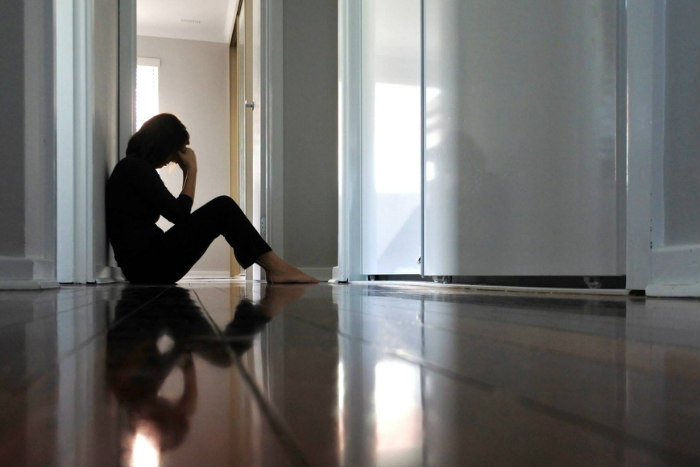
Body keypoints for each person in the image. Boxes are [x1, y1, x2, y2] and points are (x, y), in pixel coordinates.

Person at [106, 113, 318, 284]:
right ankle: (277, 268)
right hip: (148, 267)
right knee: (222, 207)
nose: (172, 159)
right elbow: (179, 214)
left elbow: (176, 213)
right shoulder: (135, 168)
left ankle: (275, 268)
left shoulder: (132, 168)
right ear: (163, 145)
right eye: (175, 152)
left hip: (146, 265)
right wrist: (192, 170)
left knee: (222, 207)